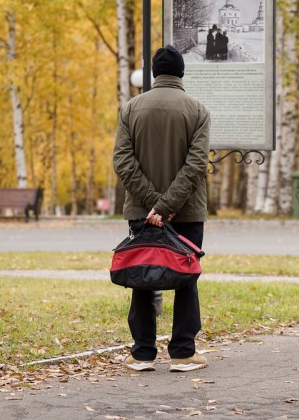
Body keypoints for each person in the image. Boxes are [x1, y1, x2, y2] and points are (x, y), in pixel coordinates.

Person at [113, 45, 211, 372]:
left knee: (142, 274)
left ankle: (142, 353)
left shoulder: (130, 109)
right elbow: (196, 165)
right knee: (186, 277)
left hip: (141, 210)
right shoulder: (197, 111)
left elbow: (123, 163)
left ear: (155, 73)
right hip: (186, 211)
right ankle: (183, 352)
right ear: (181, 73)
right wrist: (168, 205)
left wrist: (153, 204)